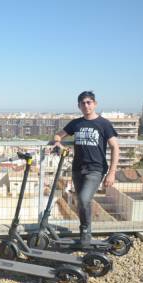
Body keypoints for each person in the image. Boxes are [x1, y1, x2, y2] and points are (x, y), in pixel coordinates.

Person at [53, 91, 119, 246]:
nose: (86, 105)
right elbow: (58, 136)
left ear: (95, 104)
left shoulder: (104, 124)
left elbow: (115, 147)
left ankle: (85, 231)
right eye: (83, 103)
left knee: (83, 199)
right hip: (77, 169)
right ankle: (85, 232)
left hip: (96, 169)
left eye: (89, 102)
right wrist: (58, 143)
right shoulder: (76, 123)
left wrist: (112, 172)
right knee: (83, 201)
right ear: (79, 106)